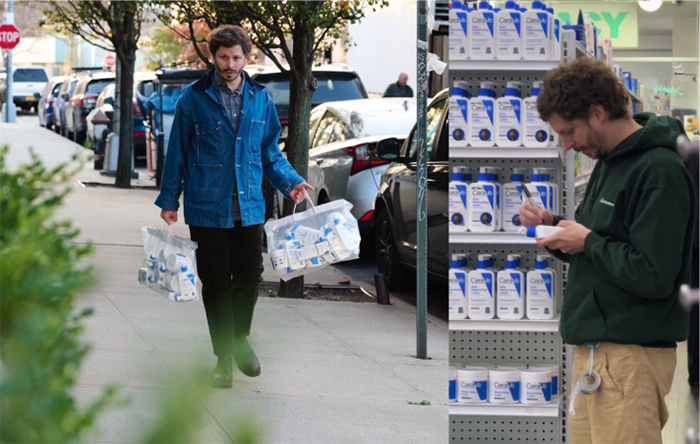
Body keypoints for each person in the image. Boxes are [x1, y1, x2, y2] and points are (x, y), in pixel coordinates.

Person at [518, 58, 696, 444]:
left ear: (597, 112)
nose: (567, 145)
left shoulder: (659, 170)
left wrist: (588, 241)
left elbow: (653, 273)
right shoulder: (608, 162)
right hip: (598, 354)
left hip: (630, 358)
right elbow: (604, 243)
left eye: (569, 131)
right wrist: (556, 225)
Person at [154, 25, 314, 388]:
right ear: (213, 57)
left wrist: (291, 182)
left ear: (247, 57)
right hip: (206, 204)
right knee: (215, 282)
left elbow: (271, 152)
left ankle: (238, 339)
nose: (230, 64)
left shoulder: (260, 99)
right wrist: (168, 200)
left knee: (249, 275)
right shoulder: (193, 99)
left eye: (236, 57)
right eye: (223, 57)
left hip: (249, 205)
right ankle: (223, 358)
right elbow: (176, 151)